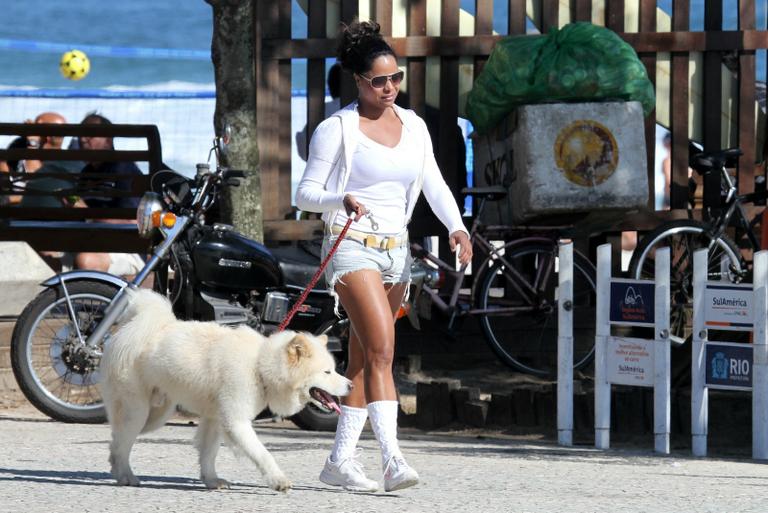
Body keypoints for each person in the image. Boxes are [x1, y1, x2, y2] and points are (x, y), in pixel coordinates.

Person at [295, 20, 471, 493]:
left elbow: (433, 182)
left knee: (359, 358)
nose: (390, 88)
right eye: (379, 80)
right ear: (358, 80)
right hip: (353, 249)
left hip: (397, 252)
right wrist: (341, 199)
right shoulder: (337, 130)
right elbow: (306, 193)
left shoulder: (412, 125)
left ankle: (339, 462)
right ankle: (393, 459)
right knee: (382, 352)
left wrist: (456, 226)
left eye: (395, 78)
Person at [68, 112, 146, 278]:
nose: (83, 140)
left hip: (127, 249)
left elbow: (134, 222)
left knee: (86, 260)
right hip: (93, 242)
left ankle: (90, 303)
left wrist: (88, 213)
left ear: (108, 141)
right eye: (81, 136)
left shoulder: (124, 169)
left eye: (90, 135)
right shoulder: (86, 173)